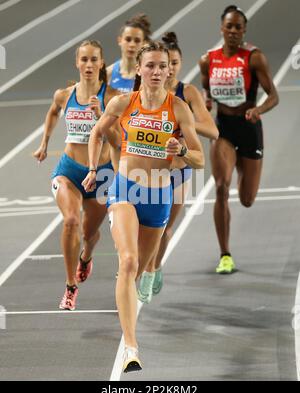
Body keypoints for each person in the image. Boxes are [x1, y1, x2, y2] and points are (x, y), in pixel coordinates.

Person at [82, 41, 205, 372]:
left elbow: (199, 159)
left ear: (168, 70)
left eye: (161, 66)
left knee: (140, 269)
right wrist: (94, 169)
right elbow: (96, 133)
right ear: (139, 69)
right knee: (128, 260)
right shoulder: (124, 102)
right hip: (125, 189)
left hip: (158, 196)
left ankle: (132, 320)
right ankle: (130, 346)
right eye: (148, 65)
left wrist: (180, 150)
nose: (155, 71)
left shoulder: (178, 108)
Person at [34, 40, 119, 310]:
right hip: (69, 170)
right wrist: (44, 143)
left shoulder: (113, 97)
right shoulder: (64, 94)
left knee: (89, 233)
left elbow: (119, 140)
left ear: (102, 63)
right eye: (84, 60)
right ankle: (71, 287)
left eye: (94, 59)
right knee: (70, 220)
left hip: (102, 175)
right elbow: (52, 112)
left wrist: (101, 114)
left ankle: (87, 256)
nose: (89, 65)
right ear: (77, 63)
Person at [138, 32, 219, 304]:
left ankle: (152, 268)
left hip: (178, 169)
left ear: (180, 64)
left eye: (174, 62)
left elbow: (212, 130)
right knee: (142, 227)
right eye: (164, 62)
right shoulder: (145, 91)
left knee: (164, 228)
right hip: (146, 169)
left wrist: (181, 121)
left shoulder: (188, 93)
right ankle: (137, 268)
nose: (168, 68)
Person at [199, 5, 279, 274]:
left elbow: (273, 95)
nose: (233, 31)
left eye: (238, 27)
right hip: (222, 128)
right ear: (221, 28)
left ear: (244, 30)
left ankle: (243, 165)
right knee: (221, 186)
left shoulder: (254, 58)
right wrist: (206, 102)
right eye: (228, 26)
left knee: (247, 199)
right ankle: (225, 254)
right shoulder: (208, 60)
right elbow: (206, 91)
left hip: (248, 128)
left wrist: (258, 110)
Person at [106, 13, 151, 93]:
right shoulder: (107, 74)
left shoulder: (149, 76)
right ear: (120, 40)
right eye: (128, 39)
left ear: (144, 44)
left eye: (137, 40)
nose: (132, 45)